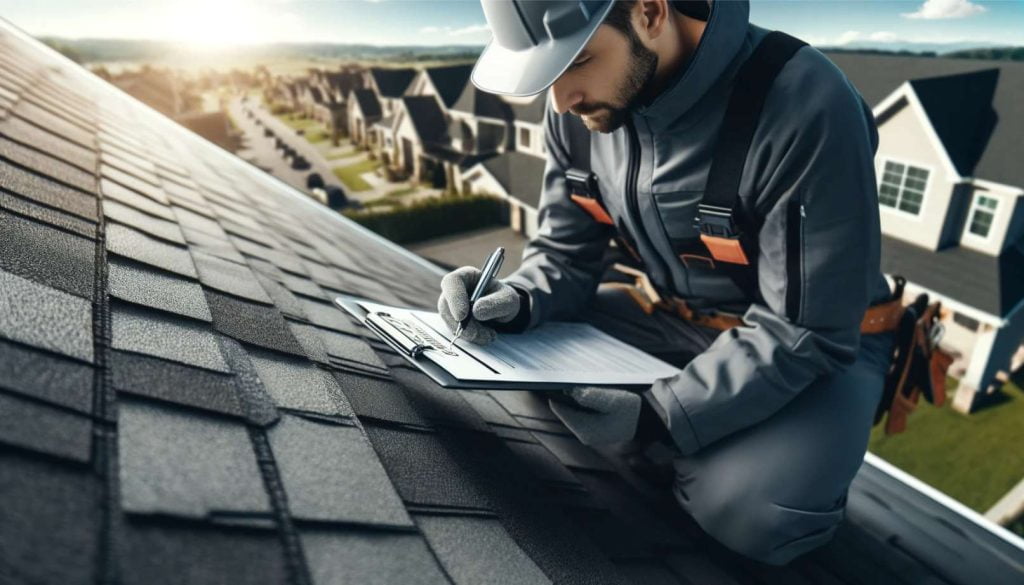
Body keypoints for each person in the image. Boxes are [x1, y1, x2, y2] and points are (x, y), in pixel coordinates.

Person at [437, 0, 897, 566]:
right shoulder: (579, 107)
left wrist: (659, 416)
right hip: (671, 321)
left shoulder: (803, 102)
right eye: (550, 74)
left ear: (651, 12)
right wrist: (519, 299)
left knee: (750, 513)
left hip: (817, 342)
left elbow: (805, 328)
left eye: (578, 60)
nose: (560, 101)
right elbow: (565, 253)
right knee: (512, 352)